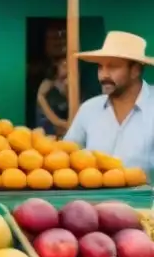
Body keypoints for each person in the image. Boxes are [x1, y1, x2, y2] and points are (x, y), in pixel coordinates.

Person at [64, 31, 154, 171]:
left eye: (113, 67)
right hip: (92, 192)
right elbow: (65, 158)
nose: (103, 75)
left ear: (135, 70)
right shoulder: (89, 109)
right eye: (100, 67)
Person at [36, 54, 69, 137]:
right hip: (47, 123)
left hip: (63, 121)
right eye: (64, 65)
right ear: (56, 66)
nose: (67, 68)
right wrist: (56, 121)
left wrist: (67, 91)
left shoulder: (70, 84)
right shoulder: (48, 83)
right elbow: (40, 99)